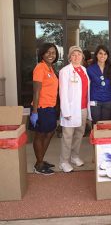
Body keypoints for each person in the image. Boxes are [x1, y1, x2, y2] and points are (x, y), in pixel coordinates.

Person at [59, 46, 91, 173]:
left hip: (82, 108)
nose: (76, 57)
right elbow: (63, 93)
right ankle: (63, 161)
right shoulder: (65, 71)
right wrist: (65, 111)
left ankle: (74, 156)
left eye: (79, 54)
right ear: (69, 57)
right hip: (71, 109)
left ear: (82, 57)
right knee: (67, 137)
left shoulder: (83, 69)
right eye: (73, 54)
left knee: (79, 134)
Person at [29, 42, 59, 175]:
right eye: (48, 52)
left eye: (53, 52)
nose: (51, 55)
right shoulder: (40, 68)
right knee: (40, 135)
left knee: (50, 132)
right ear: (42, 53)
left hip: (50, 107)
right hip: (41, 107)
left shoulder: (51, 68)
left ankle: (40, 160)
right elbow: (36, 92)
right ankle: (39, 165)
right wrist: (34, 112)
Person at [87, 45, 111, 123]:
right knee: (96, 125)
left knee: (106, 125)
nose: (103, 56)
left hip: (108, 101)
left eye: (105, 54)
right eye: (100, 53)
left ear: (107, 56)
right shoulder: (90, 69)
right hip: (95, 101)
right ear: (96, 55)